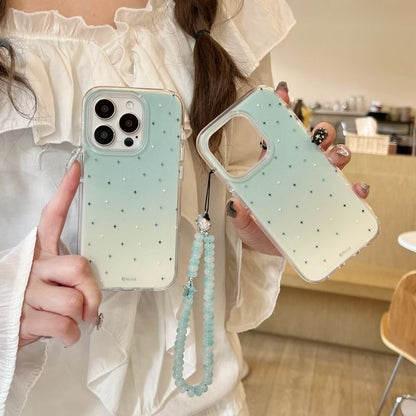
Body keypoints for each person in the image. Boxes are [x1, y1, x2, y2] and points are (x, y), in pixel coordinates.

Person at [0, 1, 370, 415]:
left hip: (203, 395)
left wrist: (259, 225)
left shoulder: (233, 10)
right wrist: (7, 299)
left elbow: (230, 190)